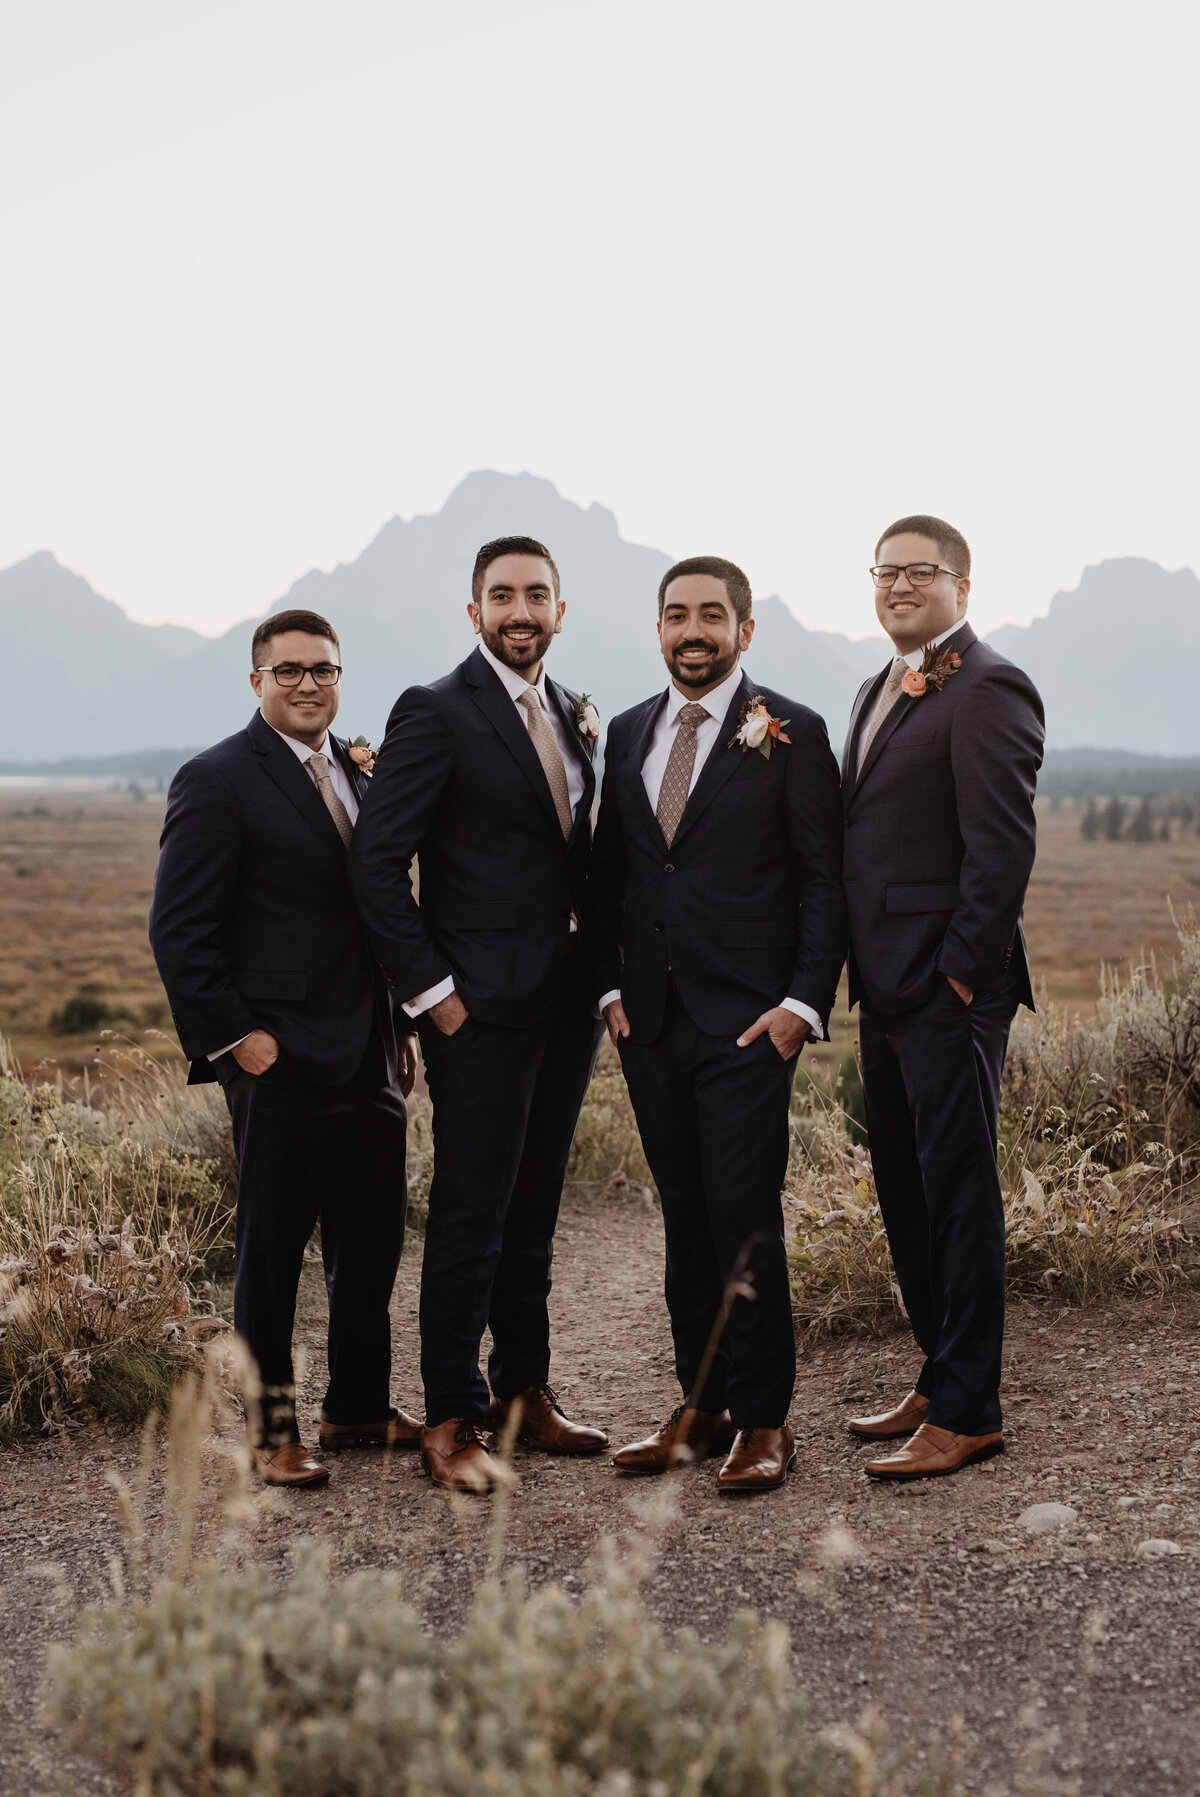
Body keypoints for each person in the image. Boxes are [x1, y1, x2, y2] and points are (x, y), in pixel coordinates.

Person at [349, 536, 607, 1493]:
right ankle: (452, 1415)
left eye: (537, 593)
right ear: (473, 613)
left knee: (533, 1208)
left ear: (560, 609)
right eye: (502, 596)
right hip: (478, 1014)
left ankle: (521, 1392)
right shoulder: (435, 711)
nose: (520, 610)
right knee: (469, 1214)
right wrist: (434, 997)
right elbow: (377, 864)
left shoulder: (577, 713)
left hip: (564, 1007)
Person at [591, 556, 845, 1493]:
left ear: (744, 626)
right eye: (674, 615)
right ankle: (700, 1404)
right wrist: (609, 991)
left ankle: (765, 1418)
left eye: (710, 615)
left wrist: (802, 1004)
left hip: (749, 1023)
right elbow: (613, 877)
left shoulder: (792, 731)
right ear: (657, 629)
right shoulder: (624, 732)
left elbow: (824, 879)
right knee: (685, 1220)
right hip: (648, 1023)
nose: (691, 630)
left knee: (743, 1220)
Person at [149, 608, 418, 1487]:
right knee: (272, 1252)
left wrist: (402, 1026)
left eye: (325, 669)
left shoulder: (360, 773)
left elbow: (378, 911)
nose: (310, 683)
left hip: (370, 1046)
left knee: (370, 1241)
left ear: (341, 679)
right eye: (291, 669)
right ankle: (273, 1431)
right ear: (256, 679)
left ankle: (357, 1406)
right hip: (279, 1056)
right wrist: (236, 1040)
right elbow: (180, 929)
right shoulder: (217, 777)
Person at [842, 516, 1044, 1480]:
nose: (898, 585)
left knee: (958, 1193)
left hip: (948, 989)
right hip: (886, 987)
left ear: (962, 584)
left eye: (919, 571)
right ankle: (938, 1369)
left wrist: (958, 976)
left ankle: (971, 1409)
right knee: (907, 1188)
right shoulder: (874, 688)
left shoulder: (990, 685)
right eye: (886, 571)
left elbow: (1001, 850)